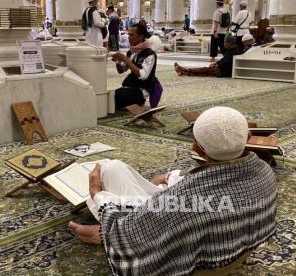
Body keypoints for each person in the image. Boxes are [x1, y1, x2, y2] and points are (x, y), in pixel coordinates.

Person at [69, 106, 277, 275]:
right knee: (114, 167)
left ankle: (102, 236)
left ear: (197, 148)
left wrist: (97, 193)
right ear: (248, 136)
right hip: (236, 252)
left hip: (203, 266)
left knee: (108, 177)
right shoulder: (263, 170)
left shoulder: (187, 196)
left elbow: (129, 233)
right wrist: (169, 179)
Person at [112, 24, 159, 110]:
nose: (129, 37)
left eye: (132, 35)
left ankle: (139, 102)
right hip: (129, 87)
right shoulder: (131, 52)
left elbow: (143, 76)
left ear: (141, 37)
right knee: (110, 97)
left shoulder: (149, 54)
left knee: (112, 100)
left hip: (141, 90)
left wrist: (126, 60)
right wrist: (118, 60)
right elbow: (121, 70)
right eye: (128, 34)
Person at [175, 36, 240, 77]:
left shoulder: (234, 52)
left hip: (224, 72)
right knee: (204, 72)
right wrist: (216, 63)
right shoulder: (231, 50)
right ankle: (183, 72)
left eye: (225, 42)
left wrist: (217, 65)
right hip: (222, 70)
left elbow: (227, 63)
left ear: (230, 43)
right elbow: (224, 59)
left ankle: (184, 69)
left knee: (204, 70)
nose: (224, 44)